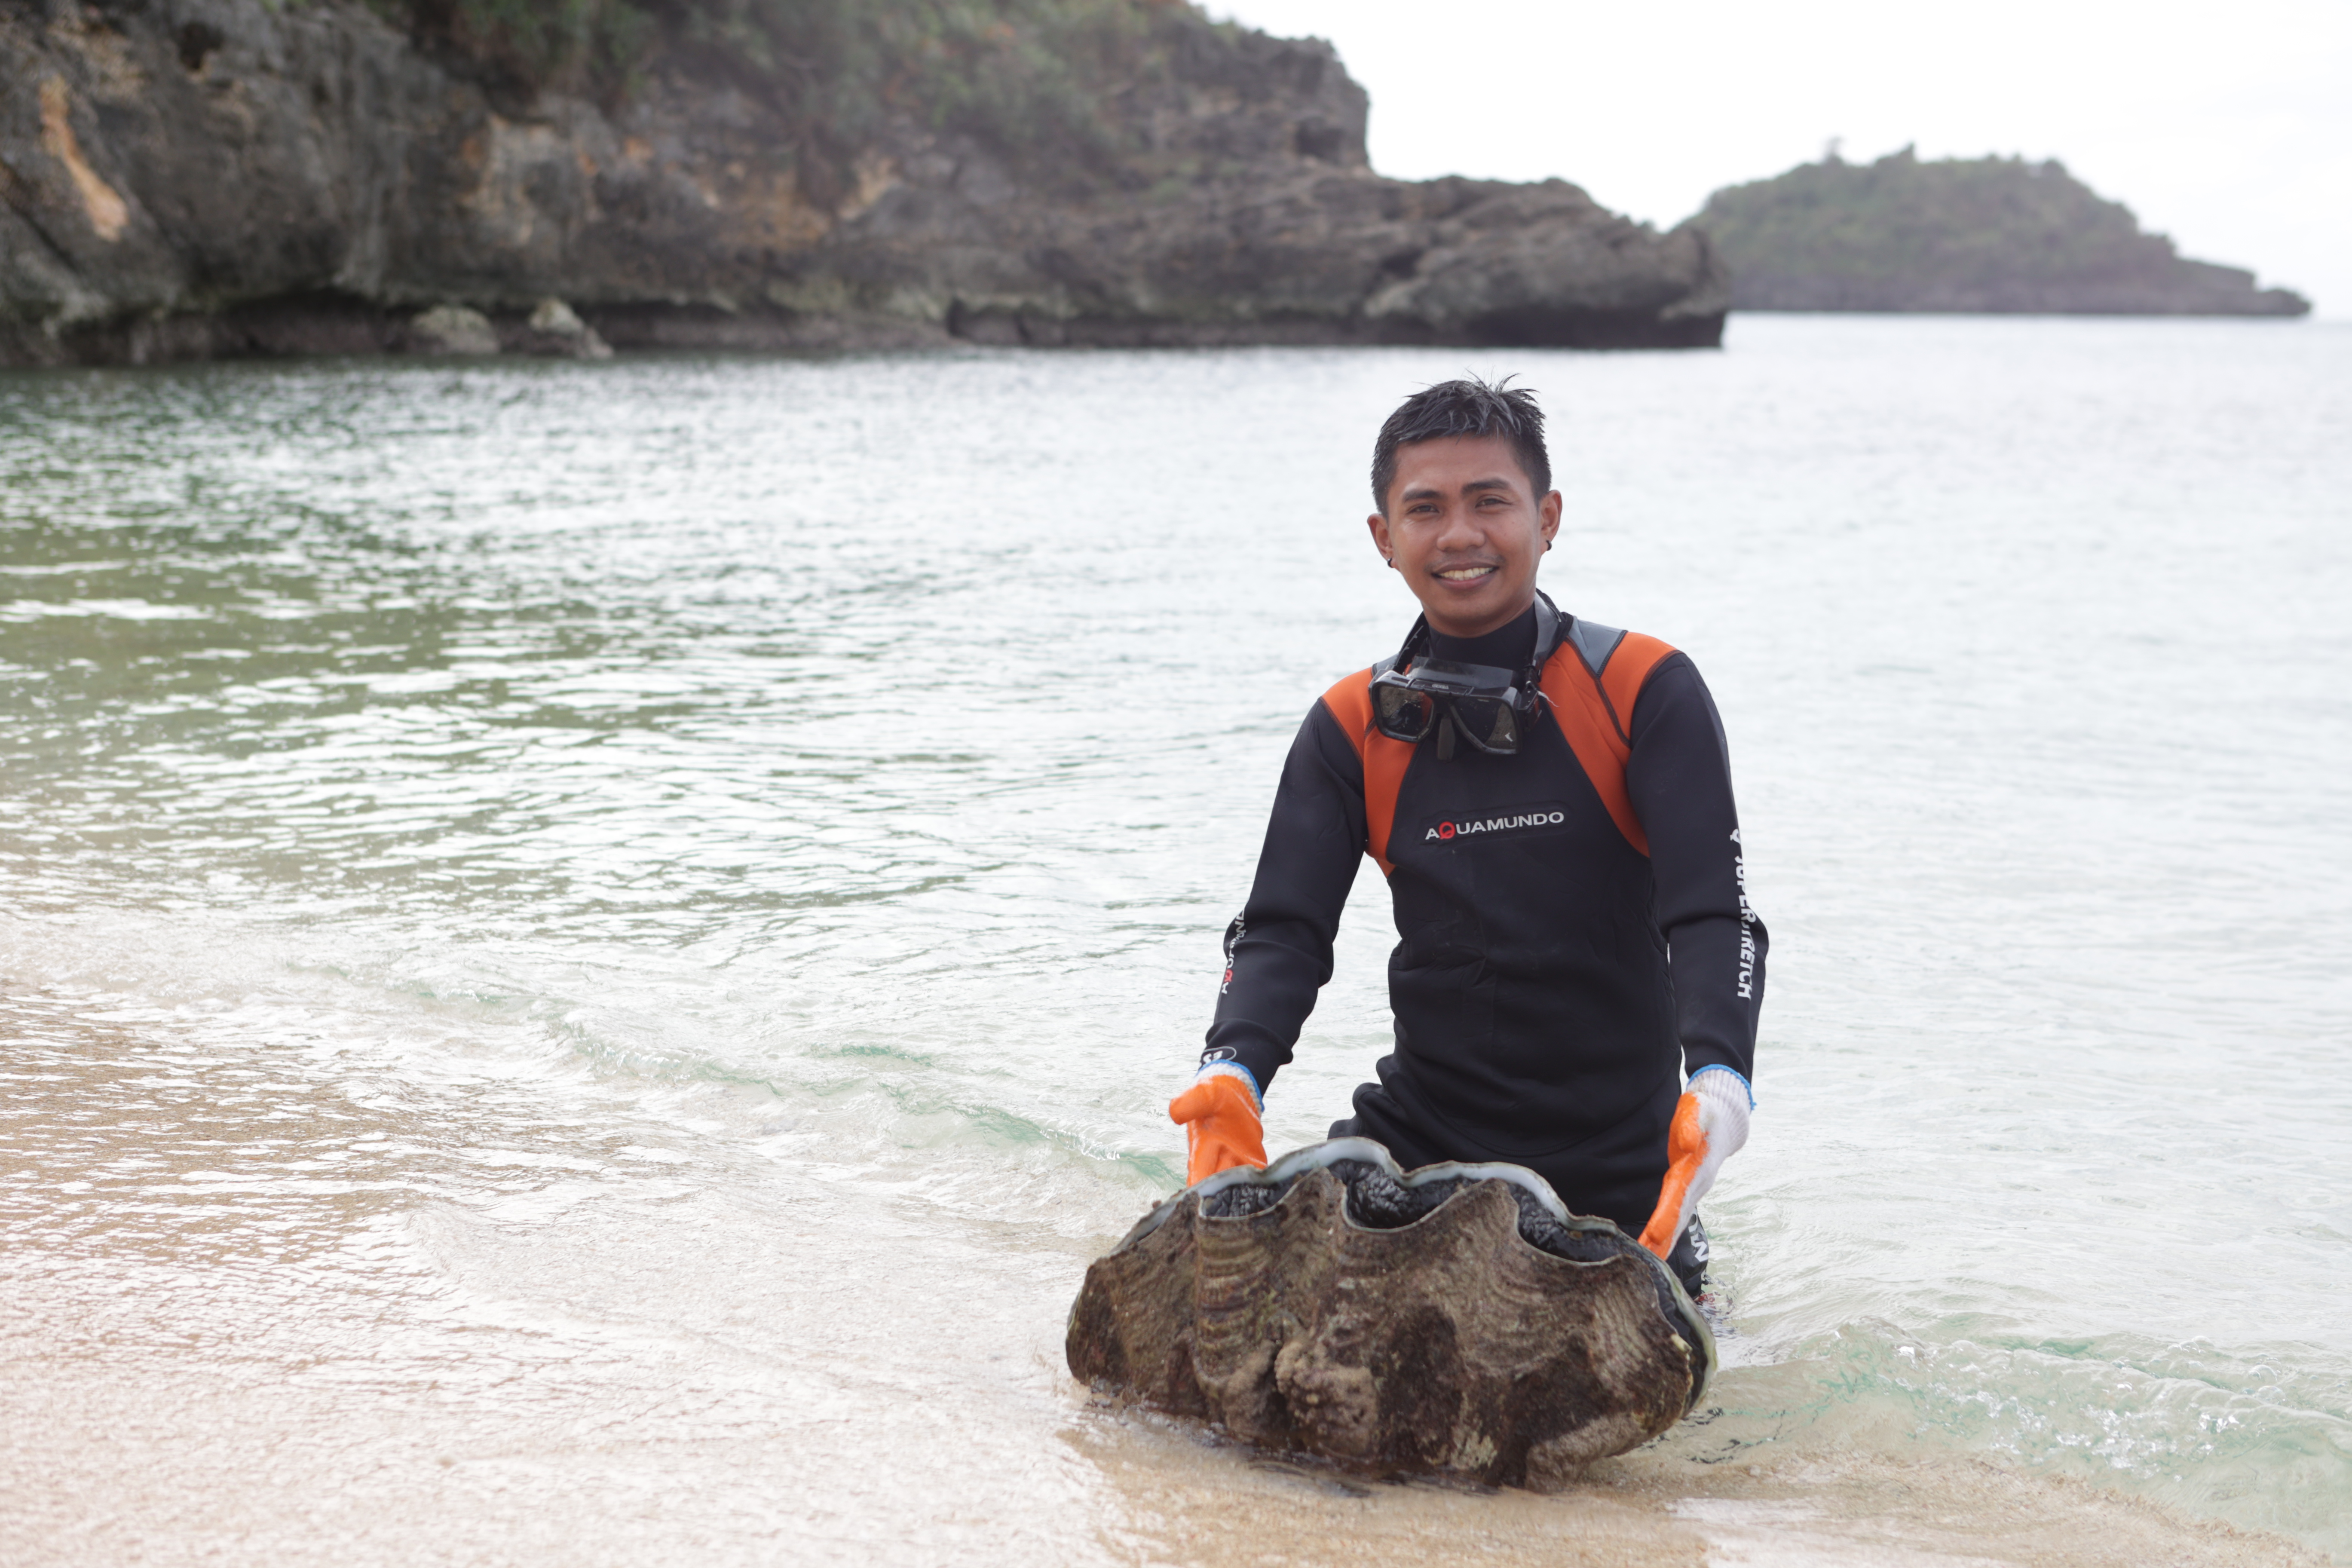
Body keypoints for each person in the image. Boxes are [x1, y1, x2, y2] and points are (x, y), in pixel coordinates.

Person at [1167, 377, 1766, 1297]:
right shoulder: (1350, 726)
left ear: (1548, 516)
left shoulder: (1643, 689)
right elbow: (1284, 929)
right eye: (1426, 509)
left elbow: (1713, 915)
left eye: (1491, 501)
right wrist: (1233, 1068)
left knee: (1682, 1436)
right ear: (1384, 538)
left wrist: (1721, 1078)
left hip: (1622, 1184)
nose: (1460, 535)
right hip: (1413, 1158)